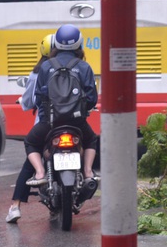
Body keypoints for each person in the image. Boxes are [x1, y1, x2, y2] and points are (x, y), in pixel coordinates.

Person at [23, 24, 99, 188]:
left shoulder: (46, 66)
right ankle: (87, 172)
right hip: (77, 122)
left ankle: (40, 173)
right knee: (91, 140)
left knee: (30, 142)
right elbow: (92, 98)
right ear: (79, 44)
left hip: (49, 123)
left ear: (56, 44)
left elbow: (38, 98)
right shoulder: (84, 67)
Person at [6, 34, 54, 223]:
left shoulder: (38, 71)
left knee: (30, 158)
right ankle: (88, 173)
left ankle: (16, 206)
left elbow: (29, 100)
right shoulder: (76, 67)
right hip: (72, 123)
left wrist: (23, 101)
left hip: (44, 123)